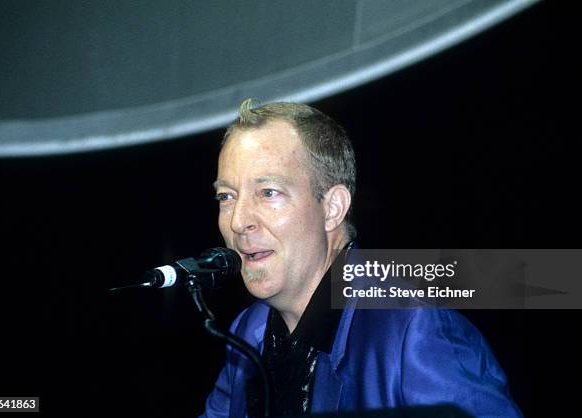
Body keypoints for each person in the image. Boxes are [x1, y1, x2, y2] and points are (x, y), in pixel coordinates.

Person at [201, 99, 522, 417]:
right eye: (226, 196)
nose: (237, 221)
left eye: (268, 192)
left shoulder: (416, 325)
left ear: (333, 208)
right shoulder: (248, 329)